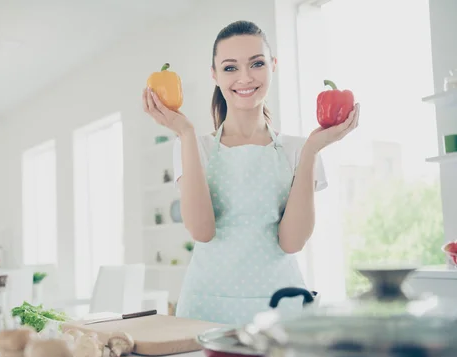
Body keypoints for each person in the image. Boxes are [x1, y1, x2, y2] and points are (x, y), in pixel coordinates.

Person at [142, 20, 360, 327]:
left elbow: (292, 242)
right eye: (230, 68)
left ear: (272, 65)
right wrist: (186, 133)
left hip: (282, 308)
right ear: (214, 75)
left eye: (256, 63)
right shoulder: (192, 146)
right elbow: (202, 232)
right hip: (206, 310)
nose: (245, 77)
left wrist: (312, 150)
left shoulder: (299, 149)